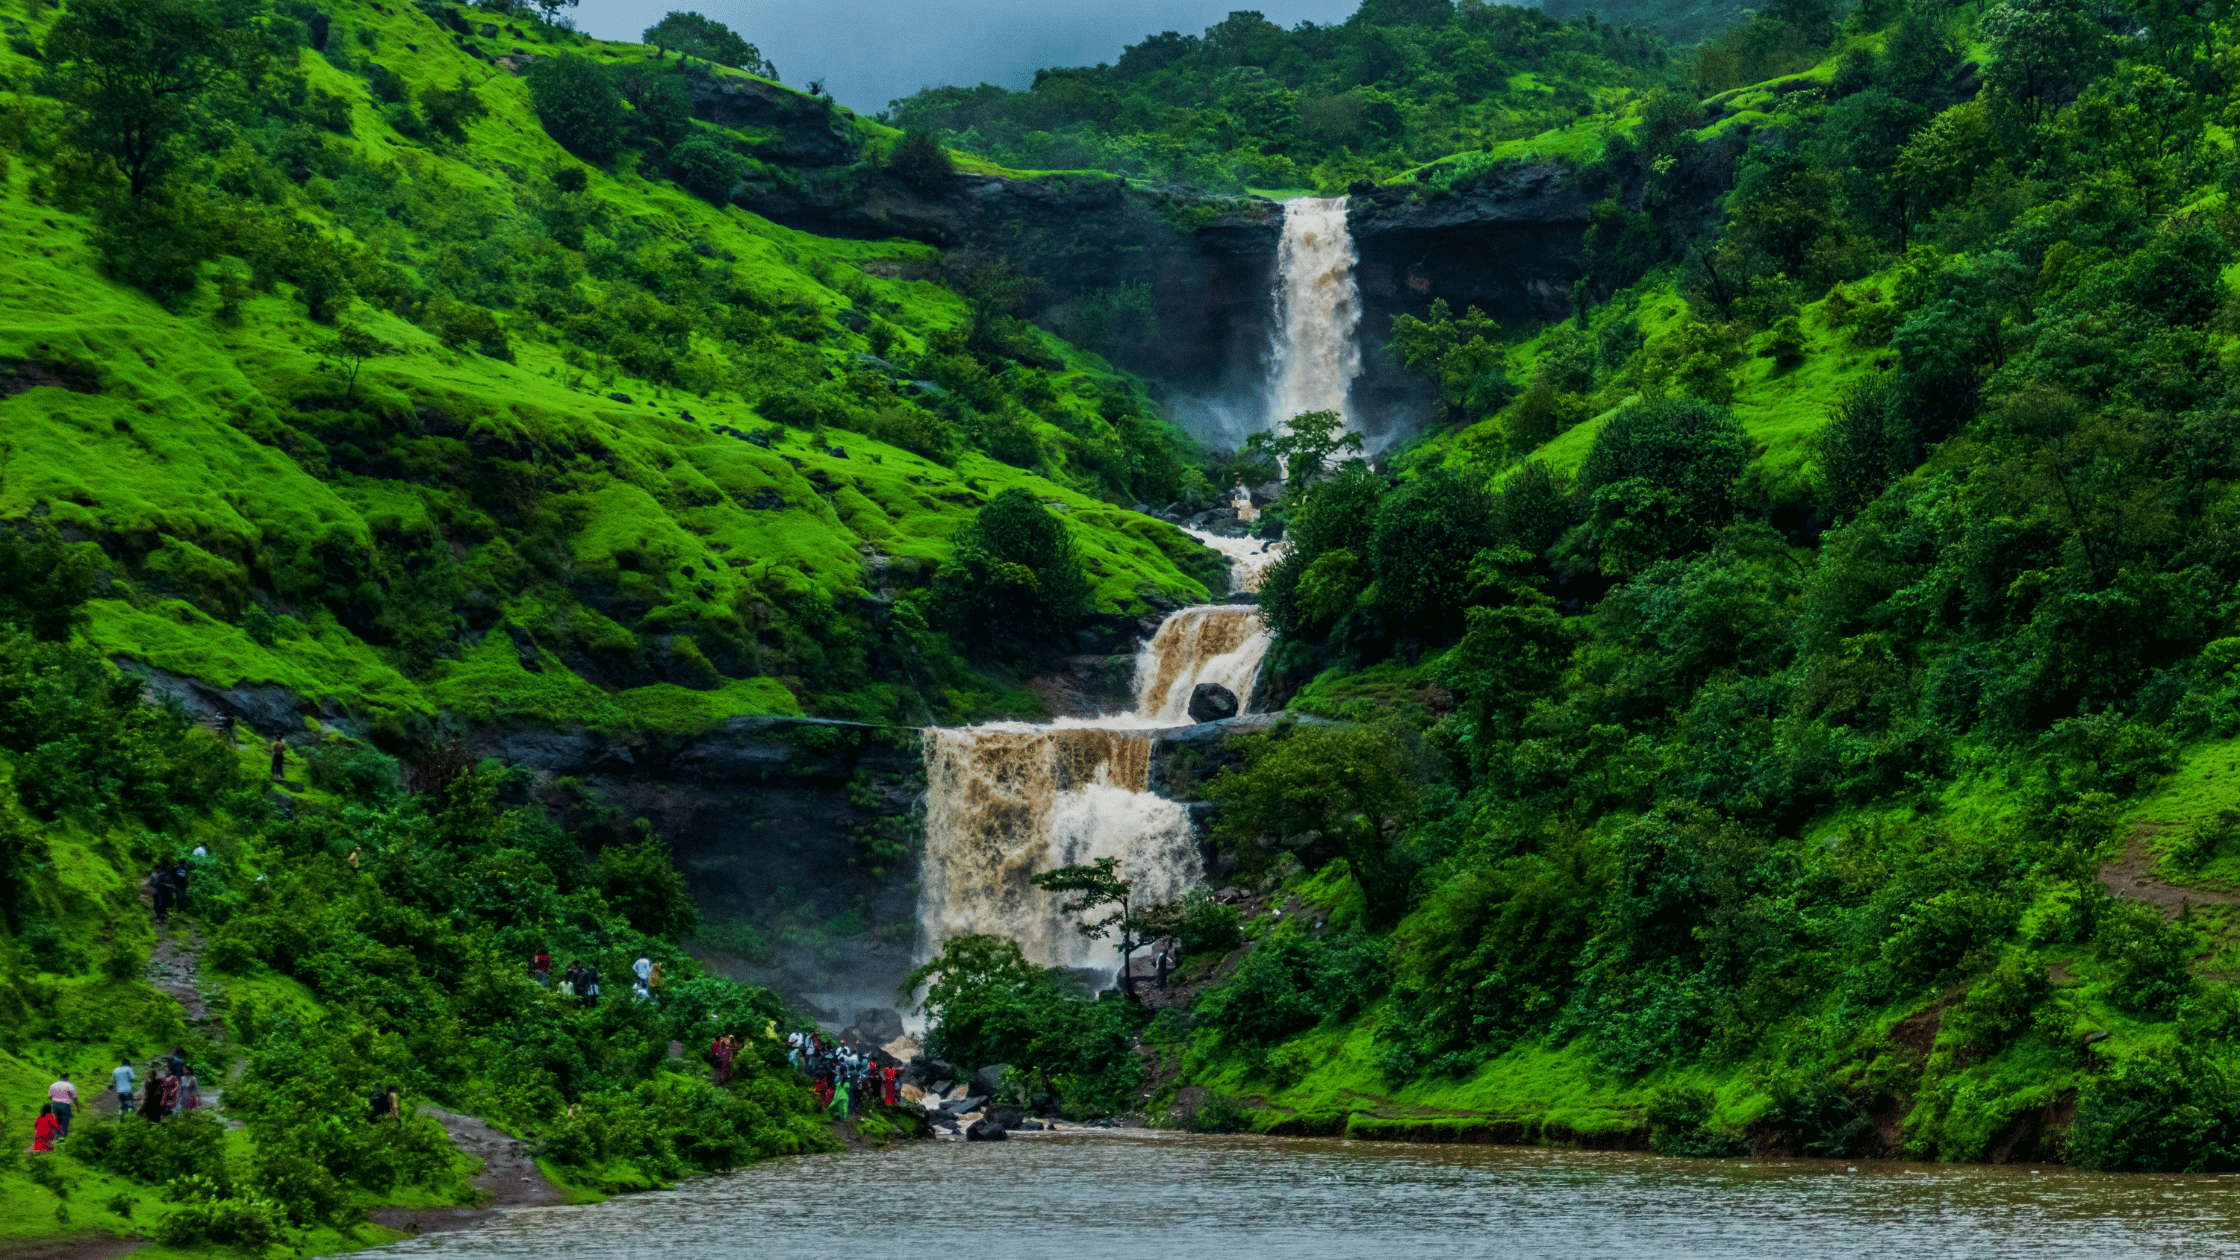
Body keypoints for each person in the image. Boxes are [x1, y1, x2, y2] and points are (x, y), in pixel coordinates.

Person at [46, 1072, 76, 1138]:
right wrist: (77, 1106)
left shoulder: (53, 1085)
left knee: (57, 1121)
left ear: (60, 1077)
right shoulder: (69, 1085)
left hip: (55, 1104)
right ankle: (63, 1138)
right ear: (67, 1078)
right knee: (65, 1122)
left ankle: (56, 1137)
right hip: (65, 1105)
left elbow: (49, 1096)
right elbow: (74, 1097)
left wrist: (55, 1098)